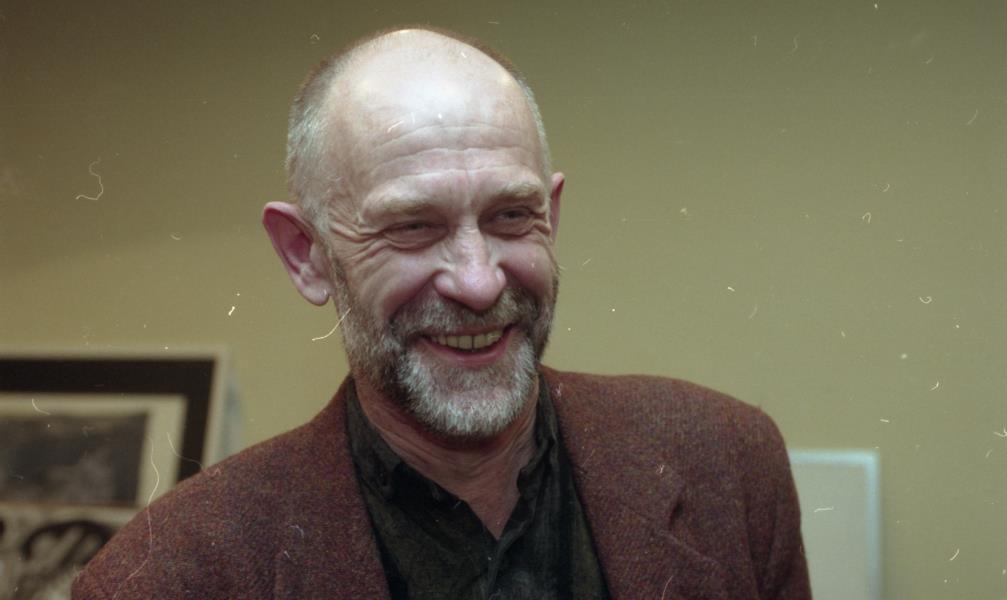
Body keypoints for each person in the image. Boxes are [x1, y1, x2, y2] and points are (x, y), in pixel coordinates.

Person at [73, 27, 811, 599]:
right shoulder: (166, 576)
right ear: (306, 254)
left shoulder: (726, 465)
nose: (478, 282)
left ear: (551, 216)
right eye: (412, 227)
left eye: (510, 215)